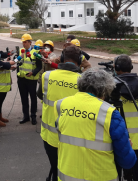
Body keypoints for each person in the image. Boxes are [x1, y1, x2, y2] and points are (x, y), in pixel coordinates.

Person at [54, 67, 137, 181]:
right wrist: (129, 148)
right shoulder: (110, 113)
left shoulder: (60, 104)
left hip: (66, 175)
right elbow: (127, 162)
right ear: (106, 90)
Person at [37, 46, 81, 181]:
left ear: (61, 58)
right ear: (79, 60)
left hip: (50, 135)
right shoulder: (82, 80)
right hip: (72, 137)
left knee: (55, 167)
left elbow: (40, 95)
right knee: (69, 172)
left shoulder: (47, 76)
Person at [114, 54, 138, 181]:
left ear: (116, 67)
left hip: (116, 140)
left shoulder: (113, 88)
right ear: (131, 67)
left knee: (115, 174)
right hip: (137, 142)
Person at [17, 33, 42, 125]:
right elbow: (18, 63)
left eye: (25, 42)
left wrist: (33, 72)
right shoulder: (20, 51)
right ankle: (26, 116)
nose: (23, 44)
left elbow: (39, 66)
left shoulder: (36, 52)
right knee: (24, 98)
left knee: (33, 98)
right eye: (23, 42)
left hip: (31, 79)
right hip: (22, 79)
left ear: (30, 42)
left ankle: (33, 116)